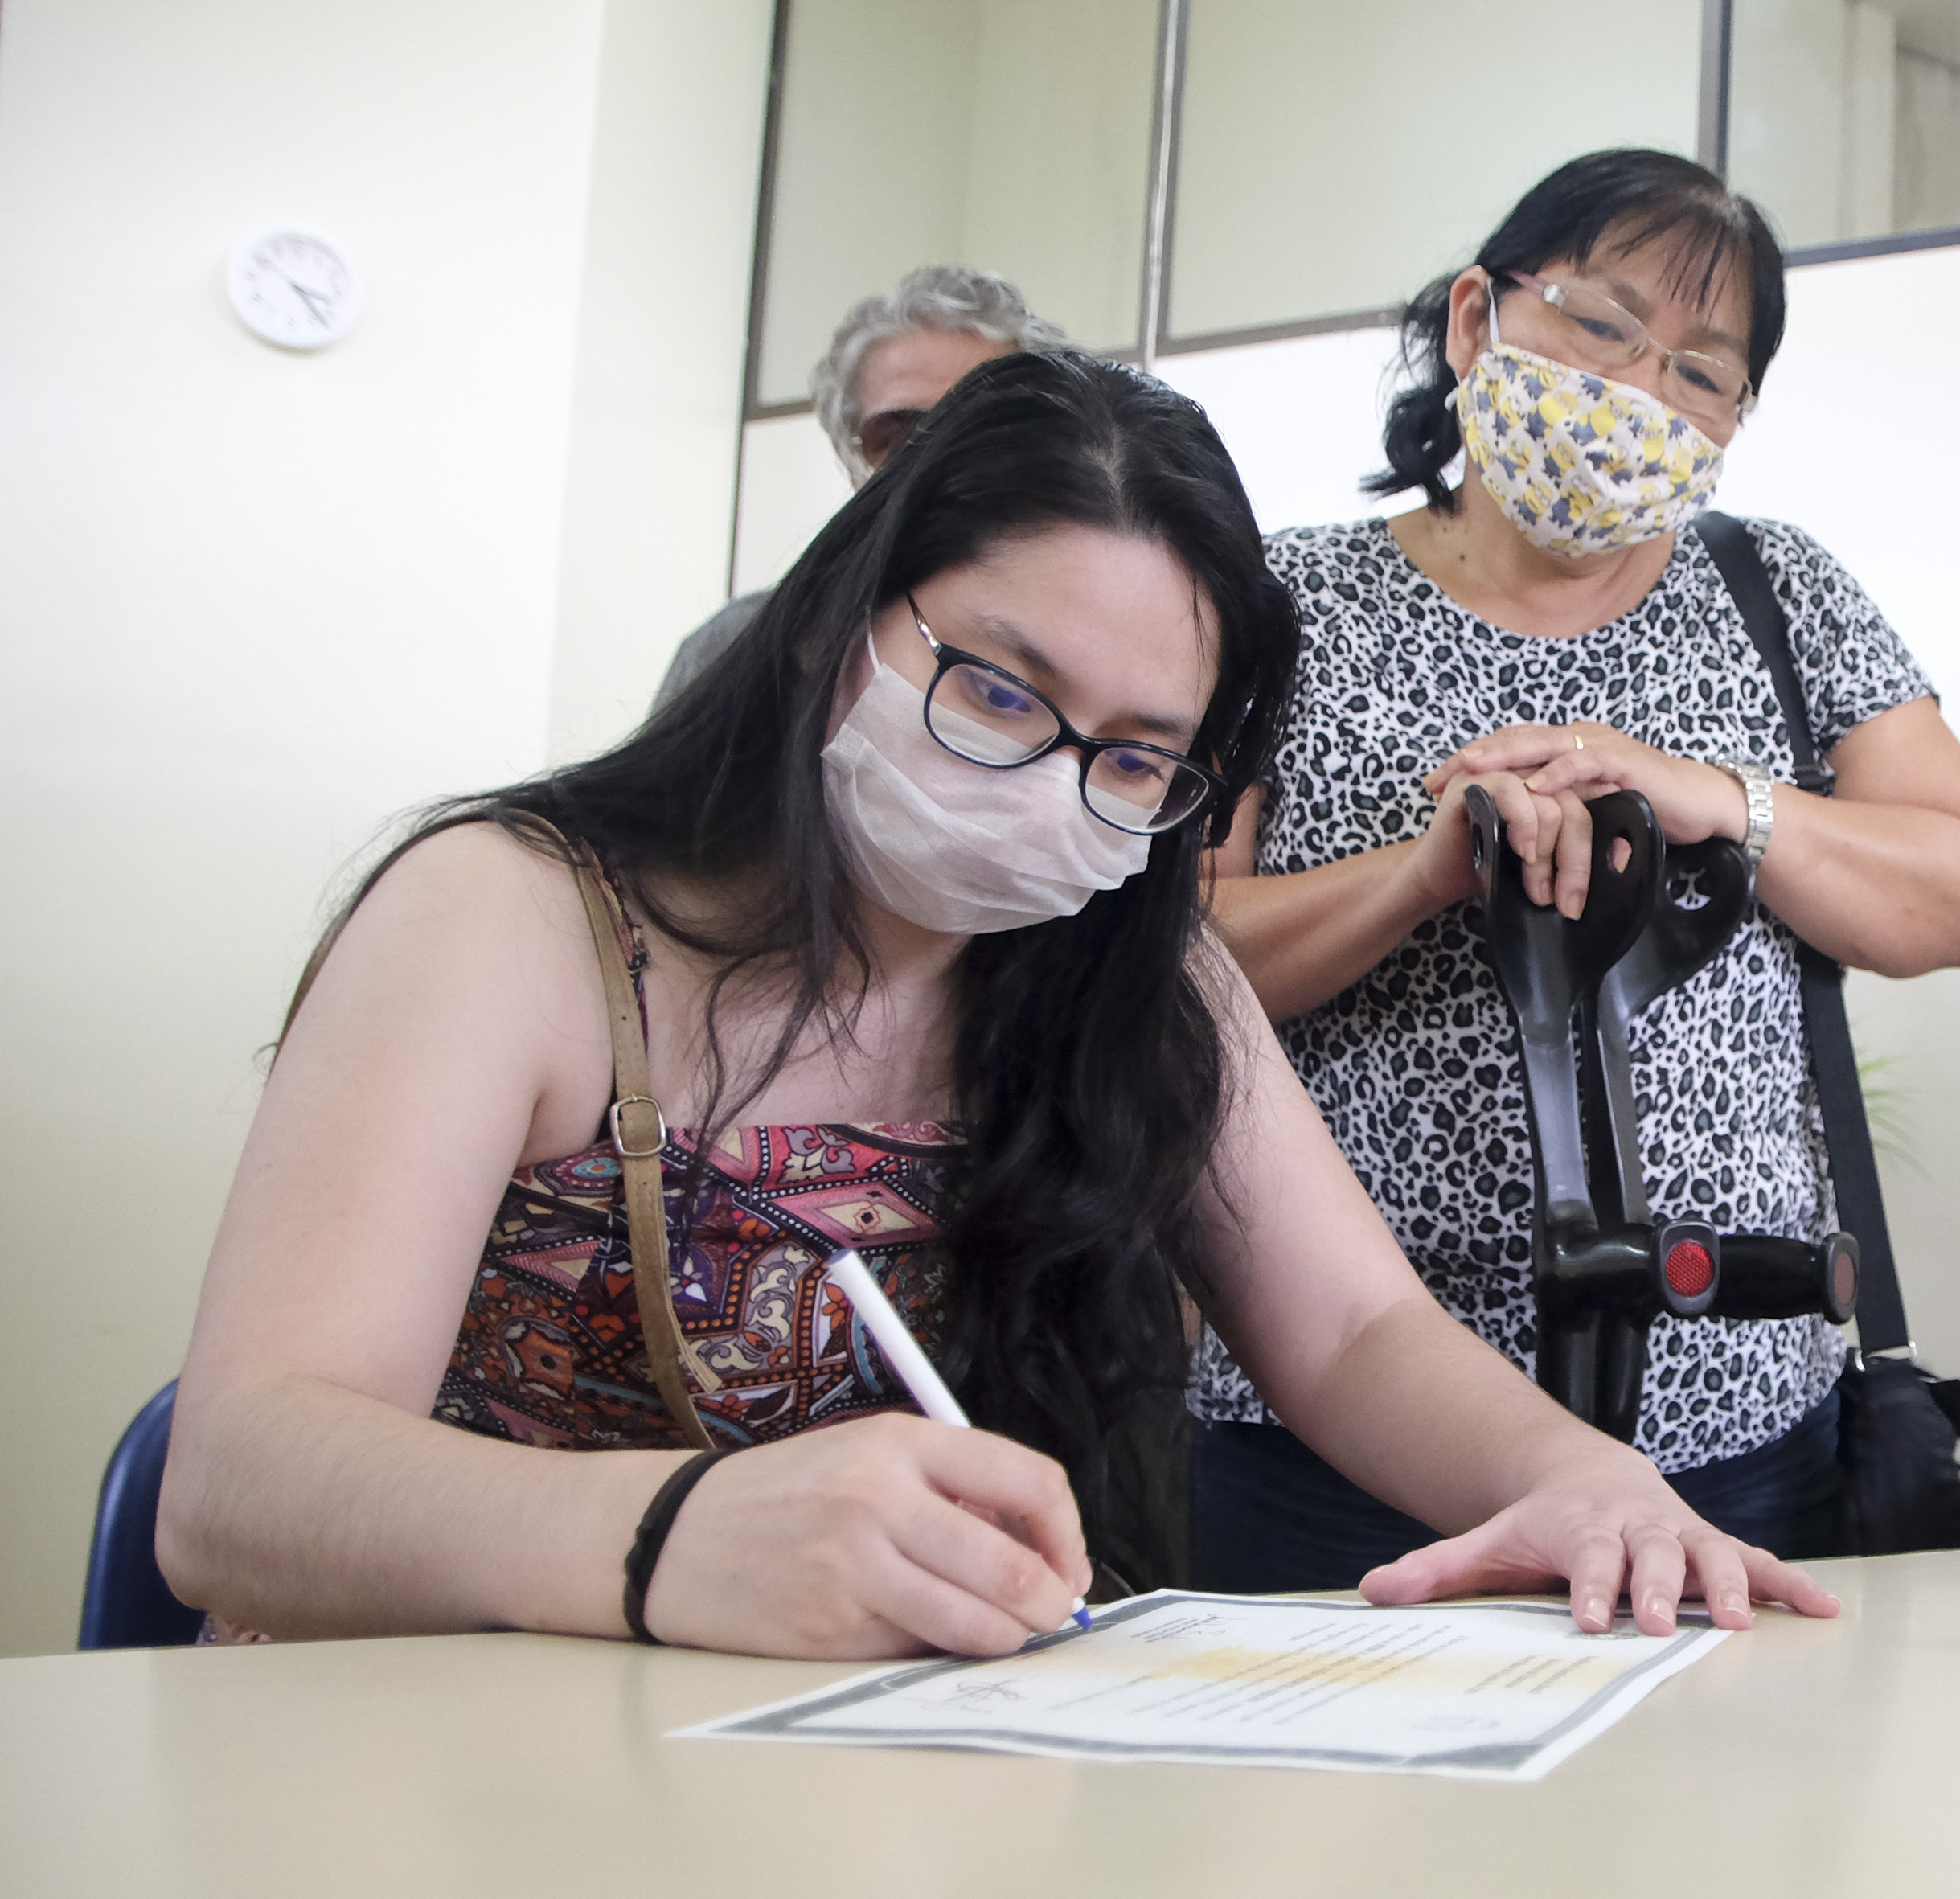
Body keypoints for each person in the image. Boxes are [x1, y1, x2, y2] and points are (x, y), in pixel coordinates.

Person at [157, 350, 1836, 1659]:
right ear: (835, 621)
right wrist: (672, 1533)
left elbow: (1350, 1333)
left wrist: (1580, 1477)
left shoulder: (1131, 966)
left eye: (1136, 757)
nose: (1048, 784)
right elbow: (239, 1477)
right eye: (996, 689)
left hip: (872, 1775)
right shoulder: (509, 916)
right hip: (426, 1742)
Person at [1199, 150, 1960, 1590]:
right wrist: (1418, 877)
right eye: (1601, 324)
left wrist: (1715, 796)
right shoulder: (1279, 600)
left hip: (1735, 1412)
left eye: (1701, 371)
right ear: (1475, 319)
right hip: (1325, 1420)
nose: (1642, 389)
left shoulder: (1776, 591)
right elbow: (1167, 956)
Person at [654, 265, 1071, 711]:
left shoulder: (1093, 652)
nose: (940, 458)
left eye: (981, 425)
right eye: (903, 434)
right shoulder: (733, 653)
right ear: (853, 459)